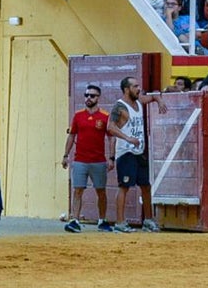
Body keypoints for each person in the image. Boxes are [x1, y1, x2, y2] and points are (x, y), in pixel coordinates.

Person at [108, 76, 168, 232]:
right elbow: (110, 127)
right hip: (126, 151)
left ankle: (148, 220)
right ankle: (120, 222)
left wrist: (159, 101)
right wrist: (128, 137)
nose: (138, 88)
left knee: (146, 186)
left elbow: (153, 95)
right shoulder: (119, 107)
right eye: (135, 86)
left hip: (139, 151)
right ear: (126, 89)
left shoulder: (139, 101)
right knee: (124, 186)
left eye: (138, 85)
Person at [61, 83, 114, 233]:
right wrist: (66, 155)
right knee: (77, 190)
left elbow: (111, 138)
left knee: (101, 191)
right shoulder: (78, 115)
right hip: (80, 160)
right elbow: (72, 136)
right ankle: (74, 220)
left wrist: (111, 157)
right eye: (86, 95)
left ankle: (102, 220)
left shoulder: (105, 116)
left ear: (98, 98)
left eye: (92, 96)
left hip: (98, 160)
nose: (88, 98)